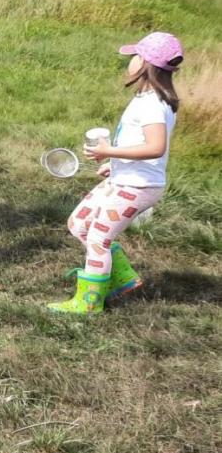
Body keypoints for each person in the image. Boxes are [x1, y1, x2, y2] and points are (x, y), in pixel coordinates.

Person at [50, 32, 183, 314]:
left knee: (98, 239)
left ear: (146, 63)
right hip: (124, 178)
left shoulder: (152, 104)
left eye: (135, 56)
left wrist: (109, 151)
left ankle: (89, 303)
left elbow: (156, 147)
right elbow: (140, 143)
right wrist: (116, 164)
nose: (130, 61)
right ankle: (122, 277)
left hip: (138, 186)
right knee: (79, 223)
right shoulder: (147, 98)